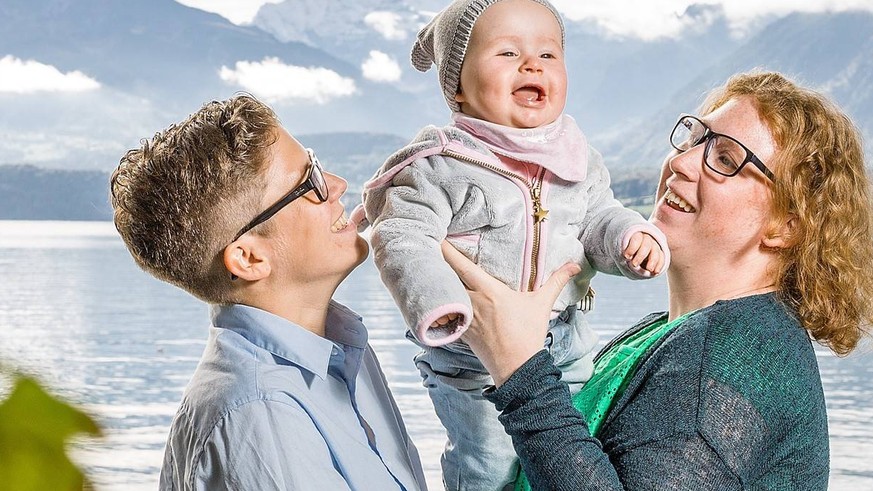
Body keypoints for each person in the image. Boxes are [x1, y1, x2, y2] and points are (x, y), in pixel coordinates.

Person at [442, 70, 873, 490]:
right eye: (694, 138)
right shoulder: (676, 332)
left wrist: (518, 365)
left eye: (725, 159)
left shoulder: (730, 356)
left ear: (786, 226)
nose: (680, 162)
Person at [357, 0, 668, 487]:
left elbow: (598, 217)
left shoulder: (576, 158)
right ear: (457, 87)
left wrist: (630, 238)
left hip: (567, 338)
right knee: (489, 465)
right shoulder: (441, 164)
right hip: (475, 351)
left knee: (571, 448)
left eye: (548, 54)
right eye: (507, 53)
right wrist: (438, 300)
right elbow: (402, 236)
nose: (532, 64)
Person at [110, 94, 427, 490]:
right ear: (249, 258)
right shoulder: (260, 414)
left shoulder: (342, 350)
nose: (337, 186)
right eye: (308, 183)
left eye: (317, 166)